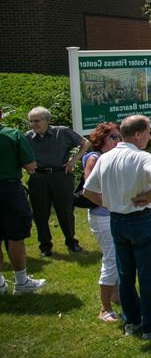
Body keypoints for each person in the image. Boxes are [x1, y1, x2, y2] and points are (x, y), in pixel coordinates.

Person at [82, 115, 151, 339]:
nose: (150, 136)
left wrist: (111, 203)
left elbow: (87, 190)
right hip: (142, 220)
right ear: (137, 134)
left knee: (126, 274)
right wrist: (149, 195)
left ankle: (131, 322)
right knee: (148, 275)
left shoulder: (106, 157)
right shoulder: (142, 156)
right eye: (148, 132)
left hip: (117, 221)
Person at [25, 106, 88, 256]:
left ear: (47, 121)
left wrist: (74, 160)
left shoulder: (62, 132)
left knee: (65, 210)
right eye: (31, 121)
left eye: (37, 121)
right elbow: (18, 153)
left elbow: (85, 143)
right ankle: (45, 246)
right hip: (38, 177)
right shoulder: (27, 136)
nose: (33, 124)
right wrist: (26, 165)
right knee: (40, 212)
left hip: (61, 175)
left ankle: (71, 241)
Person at [80, 122, 123, 322]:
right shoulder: (94, 158)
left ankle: (116, 295)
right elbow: (89, 191)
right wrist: (110, 205)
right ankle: (104, 308)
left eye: (119, 136)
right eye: (113, 137)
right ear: (101, 139)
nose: (118, 140)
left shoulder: (113, 157)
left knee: (119, 255)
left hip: (115, 213)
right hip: (102, 216)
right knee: (111, 257)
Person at [0, 108, 45, 294]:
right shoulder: (12, 135)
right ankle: (21, 281)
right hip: (9, 191)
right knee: (16, 236)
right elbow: (30, 166)